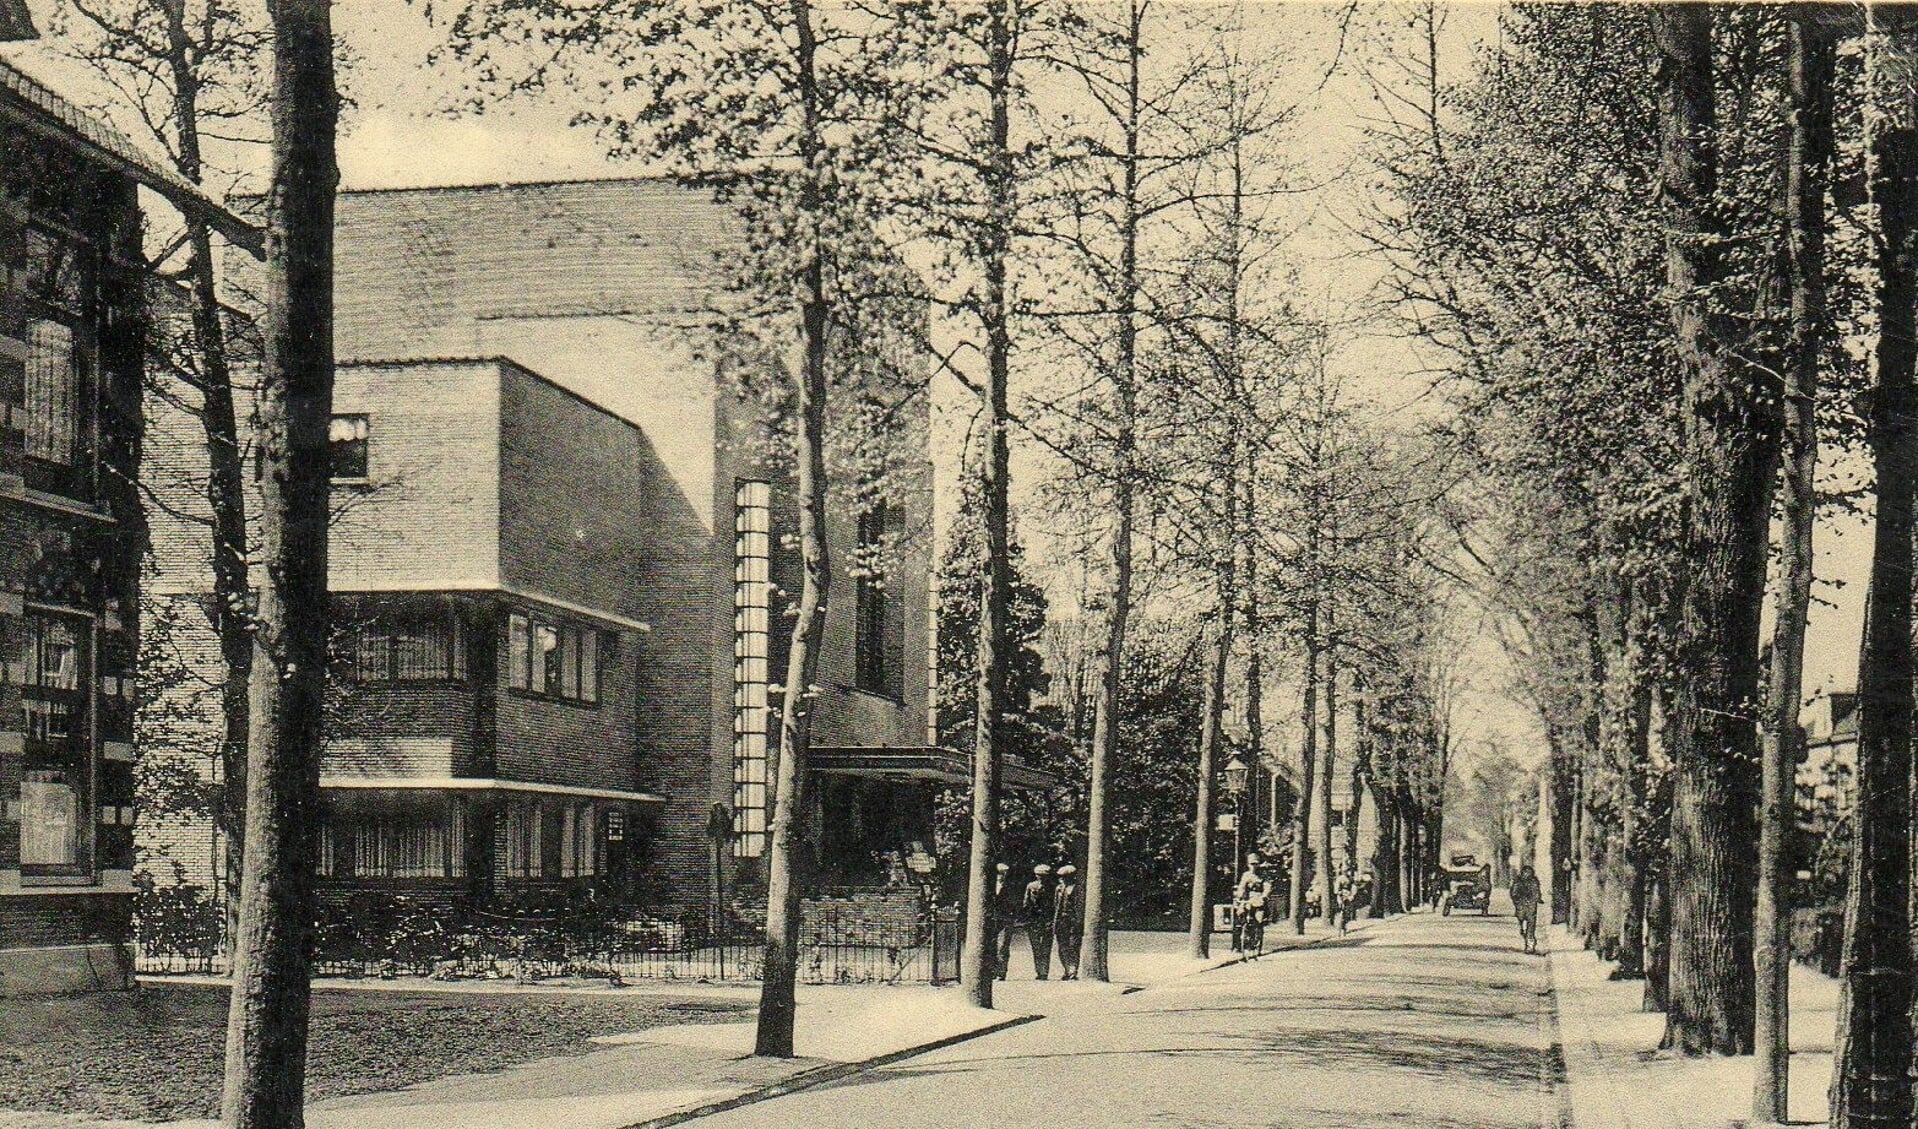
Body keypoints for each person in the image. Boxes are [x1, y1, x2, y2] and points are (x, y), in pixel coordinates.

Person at [1233, 856, 1271, 956]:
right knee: (1242, 916)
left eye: (1255, 864)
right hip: (1248, 900)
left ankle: (1258, 944)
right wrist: (1239, 896)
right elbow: (1241, 887)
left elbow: (1267, 887)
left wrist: (1264, 896)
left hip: (1259, 900)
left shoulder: (1263, 875)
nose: (1253, 866)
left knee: (1259, 921)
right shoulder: (1246, 875)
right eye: (1251, 864)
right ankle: (1243, 942)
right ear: (1248, 865)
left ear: (1258, 864)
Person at [1023, 863, 1055, 980]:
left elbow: (1055, 904)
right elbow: (1026, 903)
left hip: (1047, 920)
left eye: (1043, 876)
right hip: (1034, 920)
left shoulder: (1053, 887)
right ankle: (1039, 971)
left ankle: (1044, 972)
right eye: (1039, 875)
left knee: (1046, 947)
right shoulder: (1031, 886)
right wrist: (1028, 919)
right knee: (1036, 948)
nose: (1041, 878)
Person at [1052, 864, 1084, 980]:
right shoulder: (1059, 889)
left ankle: (1073, 970)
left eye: (1064, 877)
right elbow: (1056, 906)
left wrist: (1079, 921)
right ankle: (1066, 969)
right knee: (1062, 945)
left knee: (1074, 945)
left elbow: (1080, 906)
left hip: (1073, 920)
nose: (1062, 879)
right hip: (1061, 920)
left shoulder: (1078, 888)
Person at [991, 861, 1021, 980]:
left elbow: (1016, 903)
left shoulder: (1012, 887)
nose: (1001, 876)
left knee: (1003, 946)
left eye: (1004, 874)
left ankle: (1001, 972)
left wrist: (1013, 916)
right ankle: (993, 971)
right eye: (999, 873)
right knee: (991, 946)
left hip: (1006, 919)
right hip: (992, 920)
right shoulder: (990, 886)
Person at [1511, 864, 1543, 953]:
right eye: (1526, 872)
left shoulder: (1534, 881)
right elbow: (1513, 892)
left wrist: (1537, 898)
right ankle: (1528, 939)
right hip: (1521, 905)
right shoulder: (1518, 881)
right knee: (1523, 923)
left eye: (1529, 872)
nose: (1527, 874)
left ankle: (1530, 944)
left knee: (1530, 925)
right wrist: (1516, 900)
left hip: (1530, 907)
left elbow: (1536, 892)